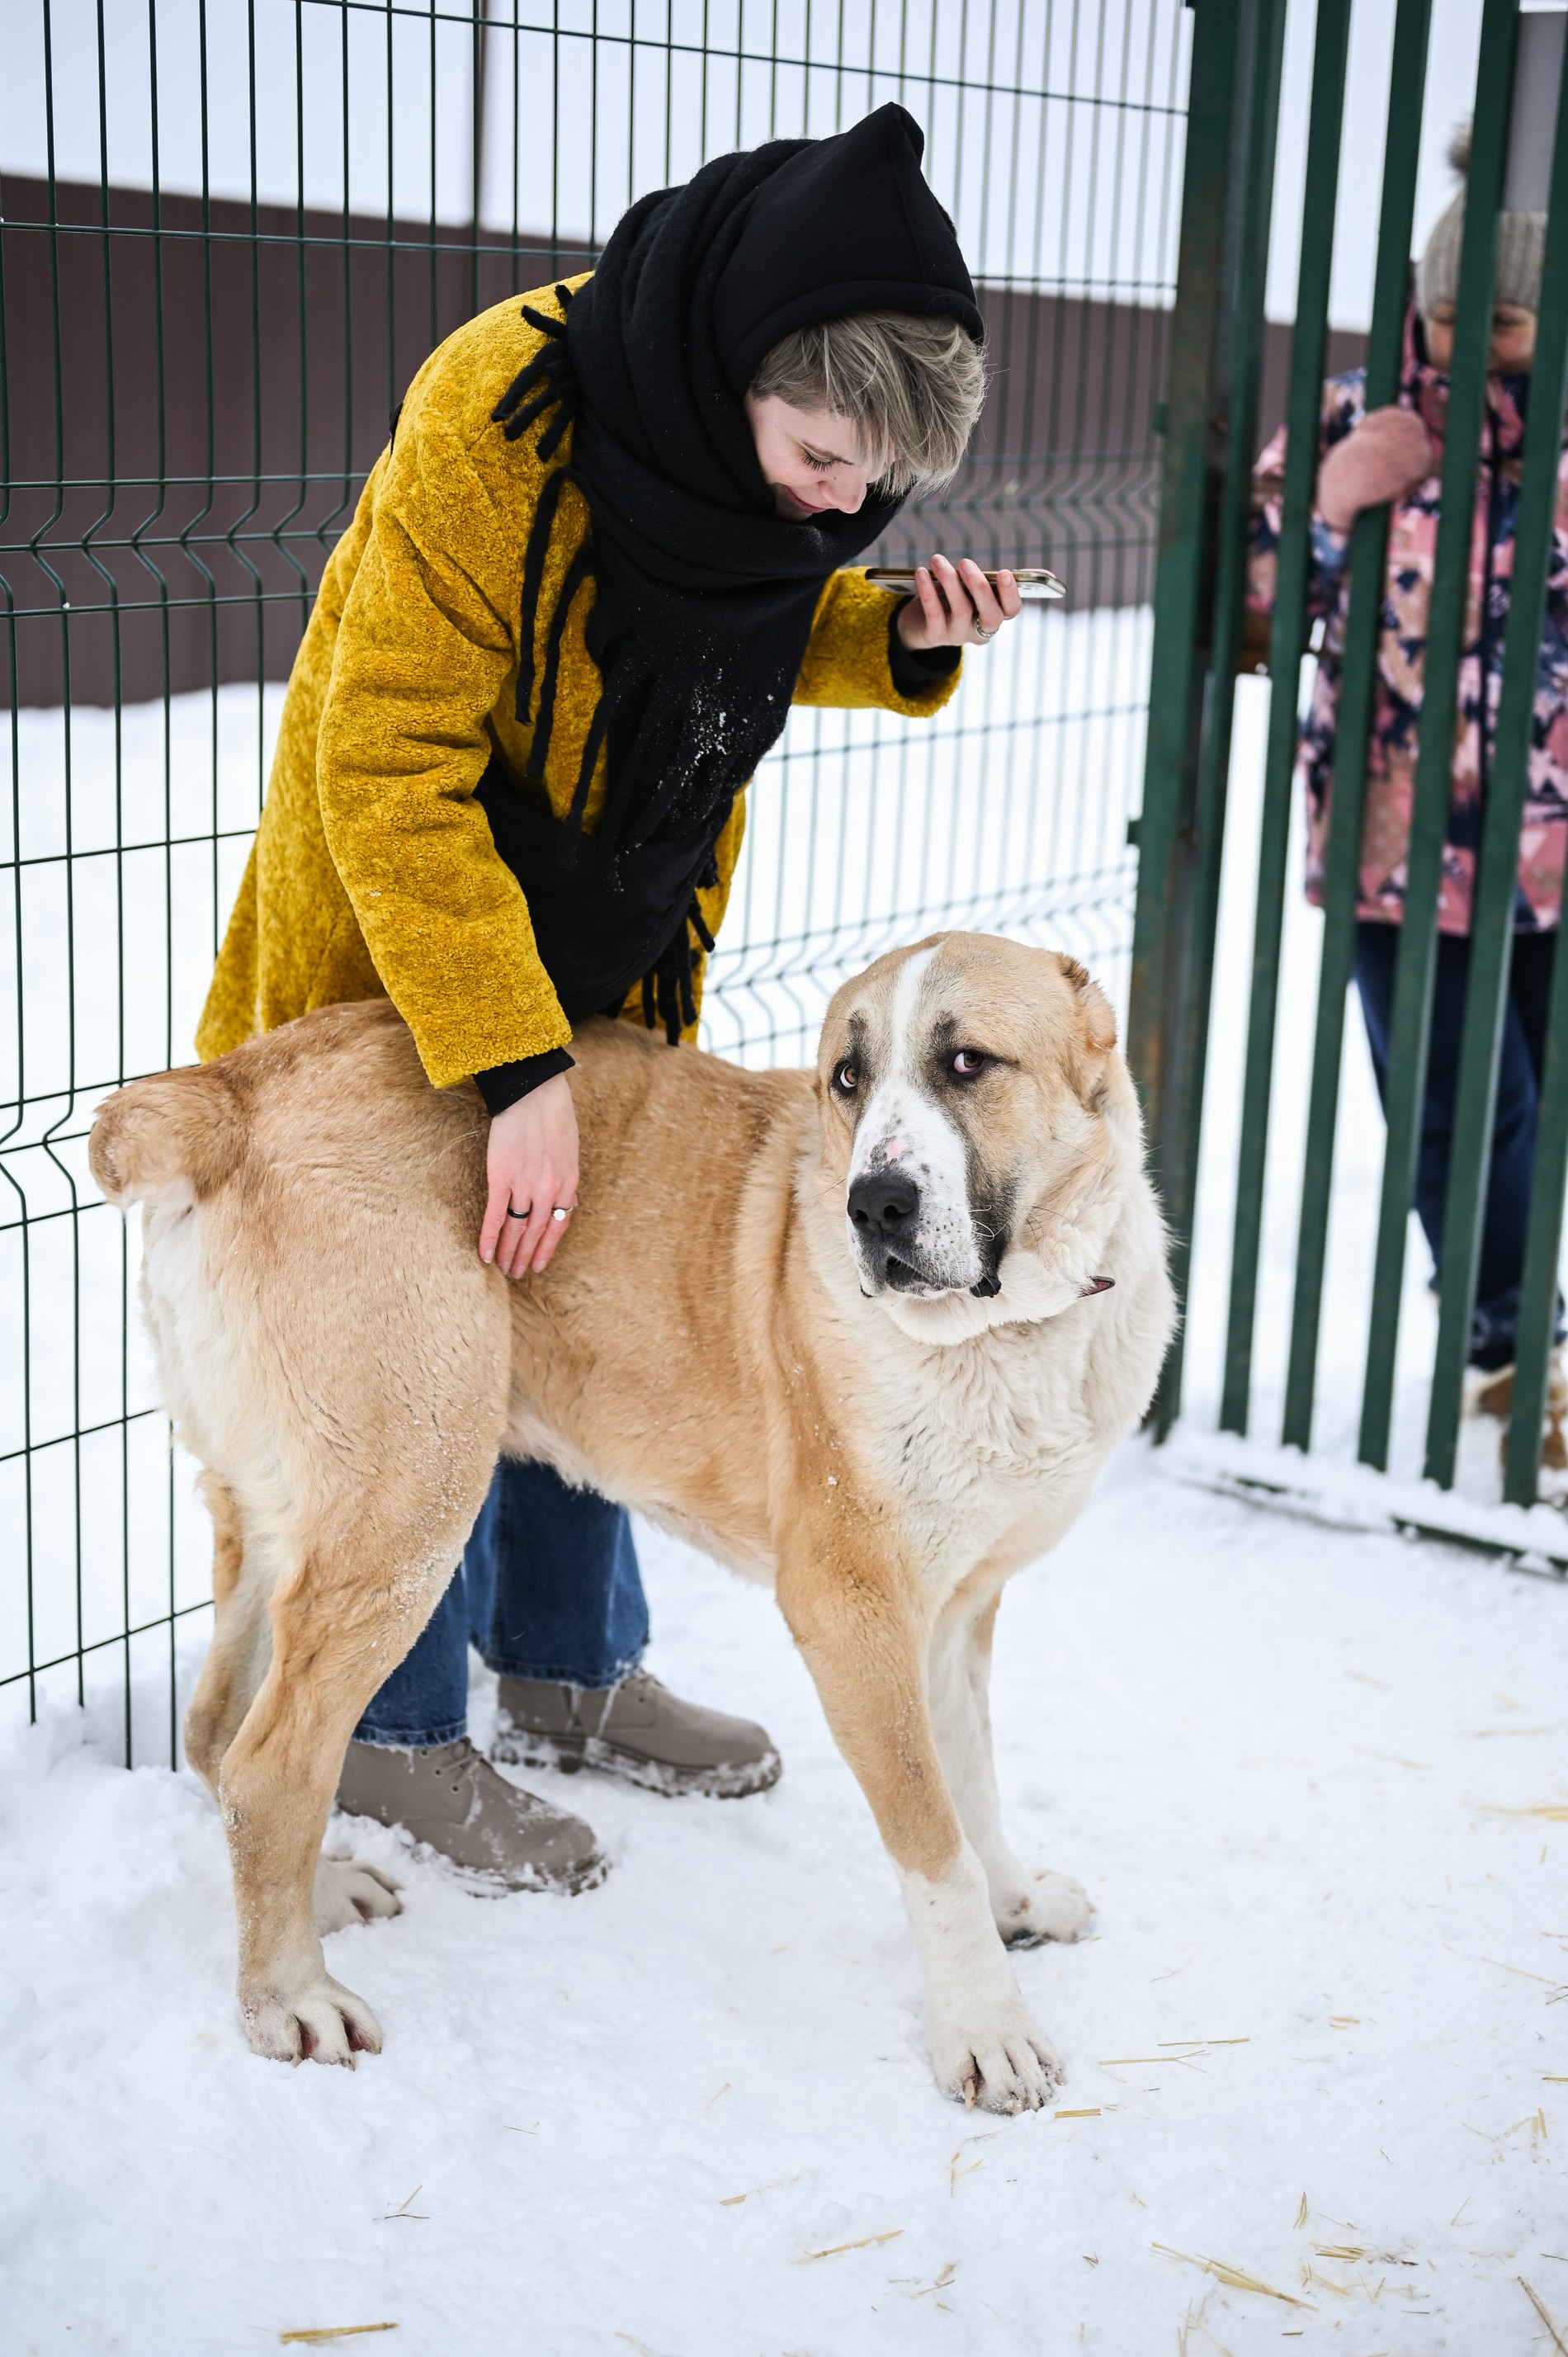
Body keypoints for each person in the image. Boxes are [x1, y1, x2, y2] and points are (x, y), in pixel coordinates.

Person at [195, 104, 1023, 1890]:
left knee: (584, 1288)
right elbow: (388, 757)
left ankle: (567, 1673)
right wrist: (501, 1063)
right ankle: (396, 1742)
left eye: (867, 489)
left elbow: (745, 607)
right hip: (401, 967)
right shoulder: (496, 418)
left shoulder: (766, 470)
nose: (832, 504)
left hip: (601, 962)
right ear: (735, 364)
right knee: (418, 1340)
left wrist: (889, 636)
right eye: (817, 457)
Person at [1248, 129, 1568, 1457]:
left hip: (1547, 834)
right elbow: (1253, 608)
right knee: (1455, 1095)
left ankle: (1531, 1333)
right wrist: (1329, 510)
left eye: (1498, 324)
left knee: (1537, 1100)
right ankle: (1508, 1357)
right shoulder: (1350, 413)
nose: (1466, 344)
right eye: (1446, 314)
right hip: (1391, 829)